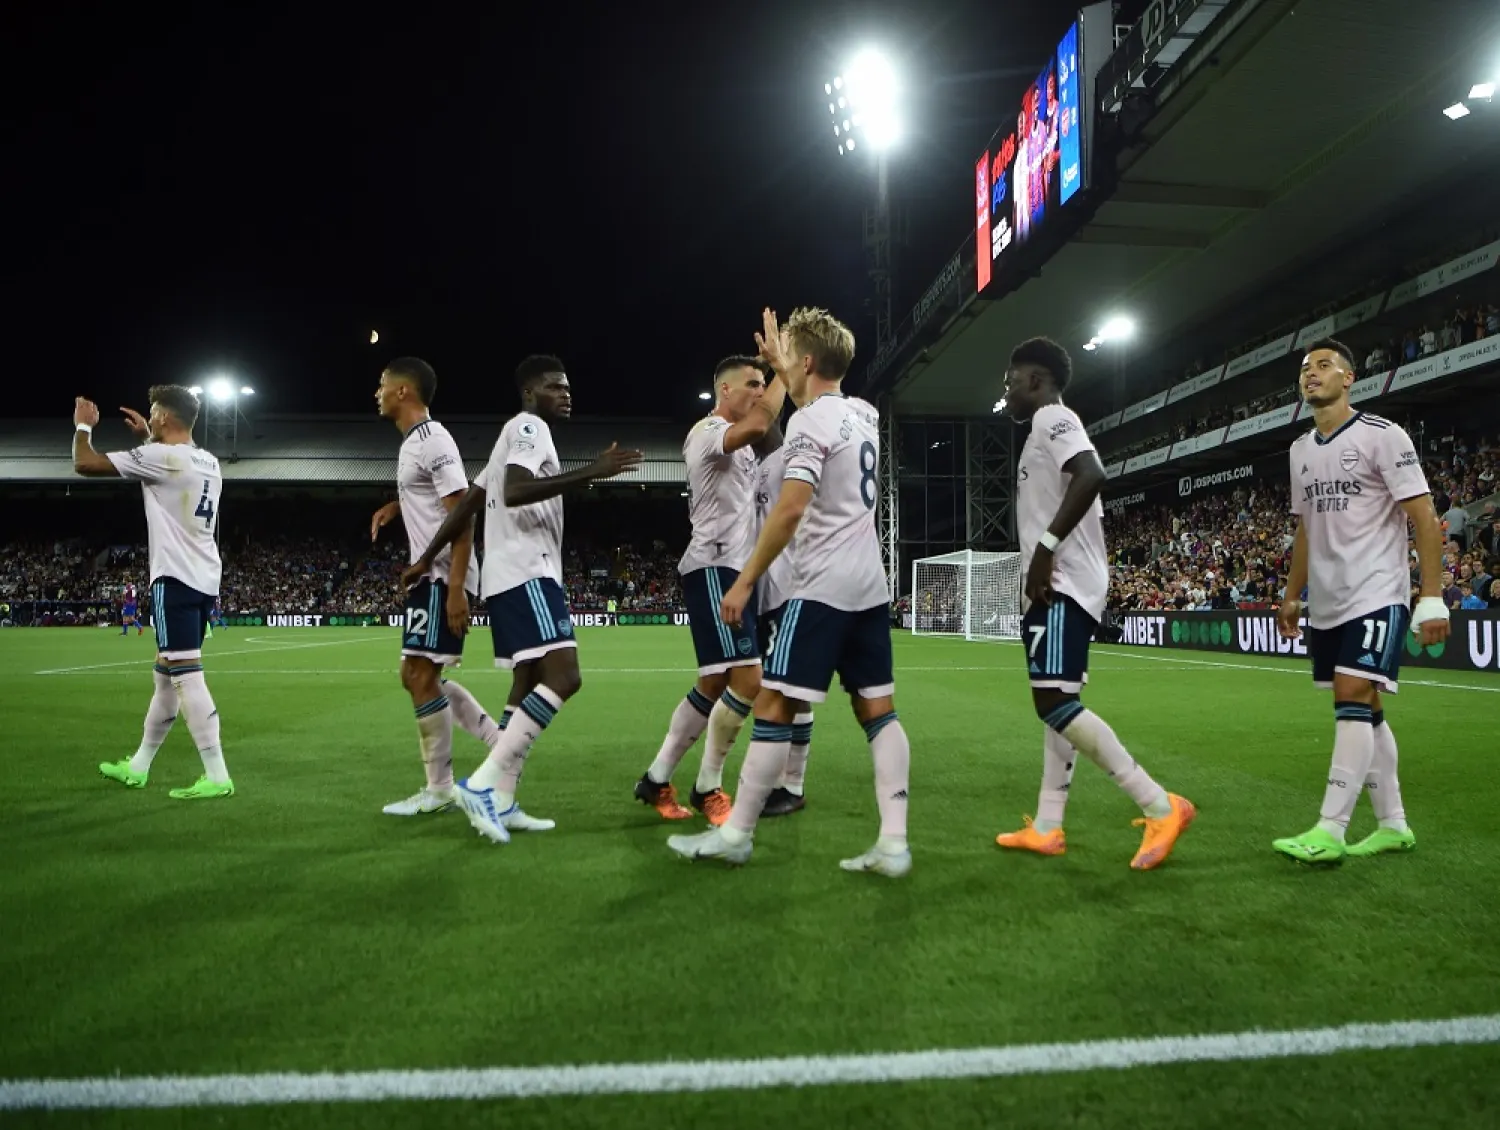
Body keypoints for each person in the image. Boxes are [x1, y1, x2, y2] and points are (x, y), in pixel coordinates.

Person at [667, 306, 911, 876]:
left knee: (773, 702)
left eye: (786, 360)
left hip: (821, 584)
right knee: (878, 710)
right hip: (869, 586)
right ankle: (894, 842)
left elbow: (792, 507)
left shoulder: (808, 424)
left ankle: (736, 836)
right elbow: (817, 411)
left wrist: (747, 578)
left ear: (804, 362)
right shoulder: (865, 413)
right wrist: (786, 370)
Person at [404, 355, 642, 843]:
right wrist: (590, 472)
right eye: (556, 386)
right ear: (531, 393)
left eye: (568, 386)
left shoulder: (511, 434)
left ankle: (505, 801)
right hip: (526, 570)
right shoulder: (531, 427)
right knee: (565, 675)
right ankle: (484, 783)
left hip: (512, 573)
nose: (566, 393)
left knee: (527, 683)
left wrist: (427, 555)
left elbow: (471, 502)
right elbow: (513, 491)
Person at [994, 338, 1195, 869]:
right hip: (1060, 583)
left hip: (1062, 582)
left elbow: (1092, 472)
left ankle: (1159, 804)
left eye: (1011, 380)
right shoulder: (1046, 425)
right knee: (1055, 703)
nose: (1007, 391)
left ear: (1035, 381)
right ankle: (1047, 826)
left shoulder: (1050, 419)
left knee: (1054, 703)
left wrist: (1046, 549)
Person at [1273, 339, 1449, 864]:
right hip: (1327, 599)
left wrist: (1433, 596)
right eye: (1305, 369)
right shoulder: (1298, 450)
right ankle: (1394, 825)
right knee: (1365, 709)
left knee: (1351, 691)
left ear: (1349, 378)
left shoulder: (1382, 436)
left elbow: (1423, 517)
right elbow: (1305, 529)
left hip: (1377, 591)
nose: (1311, 375)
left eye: (1323, 366)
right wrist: (1290, 593)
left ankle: (1330, 829)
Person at [635, 320, 788, 824]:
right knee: (749, 678)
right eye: (752, 384)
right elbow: (762, 426)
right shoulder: (707, 432)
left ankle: (657, 779)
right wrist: (784, 369)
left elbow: (777, 442)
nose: (760, 393)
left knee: (712, 682)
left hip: (733, 568)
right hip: (712, 566)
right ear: (724, 390)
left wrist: (778, 375)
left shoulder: (744, 443)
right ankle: (708, 787)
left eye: (763, 386)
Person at [73, 387, 235, 799]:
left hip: (174, 577)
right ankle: (139, 766)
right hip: (203, 577)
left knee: (186, 677)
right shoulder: (209, 461)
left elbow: (84, 463)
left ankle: (217, 775)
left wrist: (83, 426)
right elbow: (168, 468)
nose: (150, 417)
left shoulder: (161, 457)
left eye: (153, 413)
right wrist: (148, 436)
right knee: (165, 676)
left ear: (164, 417)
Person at [371, 356, 506, 817]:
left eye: (383, 384)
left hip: (440, 575)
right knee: (424, 675)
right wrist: (398, 505)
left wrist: (453, 589)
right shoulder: (414, 444)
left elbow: (464, 512)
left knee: (419, 675)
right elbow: (434, 499)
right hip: (429, 573)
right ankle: (498, 743)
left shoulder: (432, 439)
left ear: (404, 392)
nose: (378, 392)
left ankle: (440, 789)